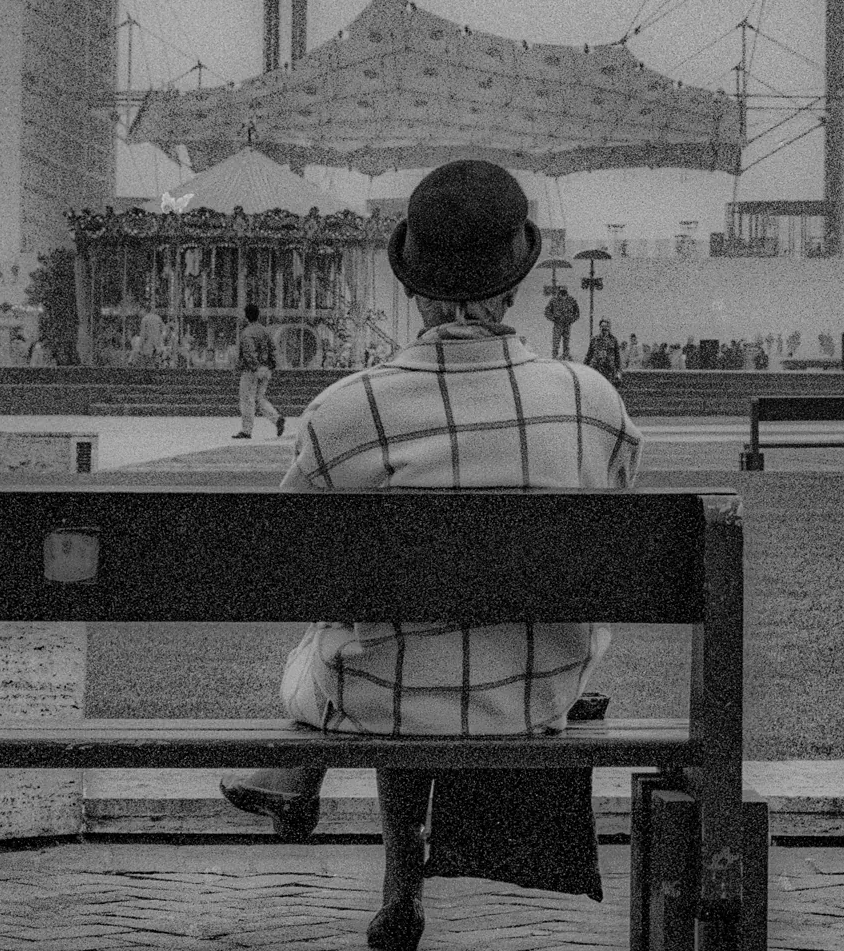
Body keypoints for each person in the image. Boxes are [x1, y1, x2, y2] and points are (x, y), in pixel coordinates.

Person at [220, 159, 642, 951]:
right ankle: (382, 872)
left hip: (383, 692)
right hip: (535, 689)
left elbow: (286, 556)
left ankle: (327, 810)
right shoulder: (593, 402)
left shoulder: (347, 410)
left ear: (414, 289)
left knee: (370, 641)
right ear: (515, 285)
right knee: (418, 639)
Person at [233, 301, 284, 439]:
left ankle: (246, 430)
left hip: (252, 370)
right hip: (266, 368)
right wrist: (271, 365)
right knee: (259, 398)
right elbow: (273, 348)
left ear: (246, 316)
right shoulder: (265, 331)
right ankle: (276, 418)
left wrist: (254, 367)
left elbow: (249, 353)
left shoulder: (247, 333)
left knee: (247, 399)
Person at [584, 316, 623, 390]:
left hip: (609, 371)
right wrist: (584, 370)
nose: (604, 329)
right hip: (596, 370)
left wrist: (618, 374)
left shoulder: (613, 340)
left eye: (606, 327)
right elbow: (588, 356)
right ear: (600, 328)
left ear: (609, 328)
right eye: (602, 327)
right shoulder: (594, 340)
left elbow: (617, 359)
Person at [543, 281, 579, 360]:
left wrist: (571, 319)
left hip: (567, 324)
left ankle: (565, 355)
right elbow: (547, 312)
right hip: (558, 323)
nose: (563, 292)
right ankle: (555, 356)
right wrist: (554, 318)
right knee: (556, 341)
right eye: (561, 291)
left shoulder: (571, 300)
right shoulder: (554, 300)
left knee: (566, 341)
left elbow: (577, 312)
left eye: (564, 291)